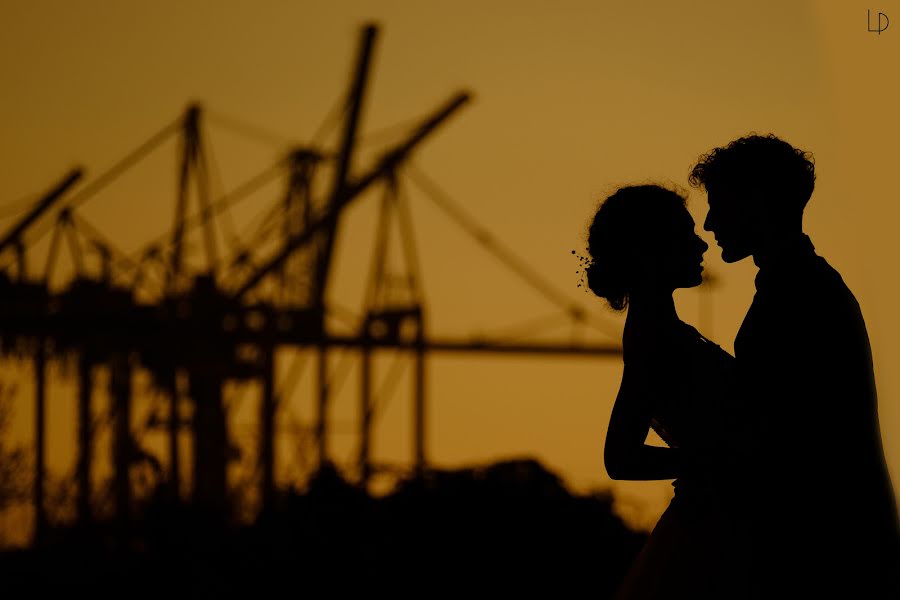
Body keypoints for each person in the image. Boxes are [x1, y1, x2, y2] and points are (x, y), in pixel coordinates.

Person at [690, 133, 900, 597]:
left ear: (757, 201)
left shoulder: (798, 294)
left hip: (822, 550)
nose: (708, 223)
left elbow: (787, 433)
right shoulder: (805, 285)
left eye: (720, 204)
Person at [586, 184, 749, 599]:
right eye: (684, 235)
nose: (700, 244)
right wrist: (715, 462)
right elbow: (620, 458)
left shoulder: (662, 332)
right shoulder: (653, 337)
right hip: (712, 531)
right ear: (649, 250)